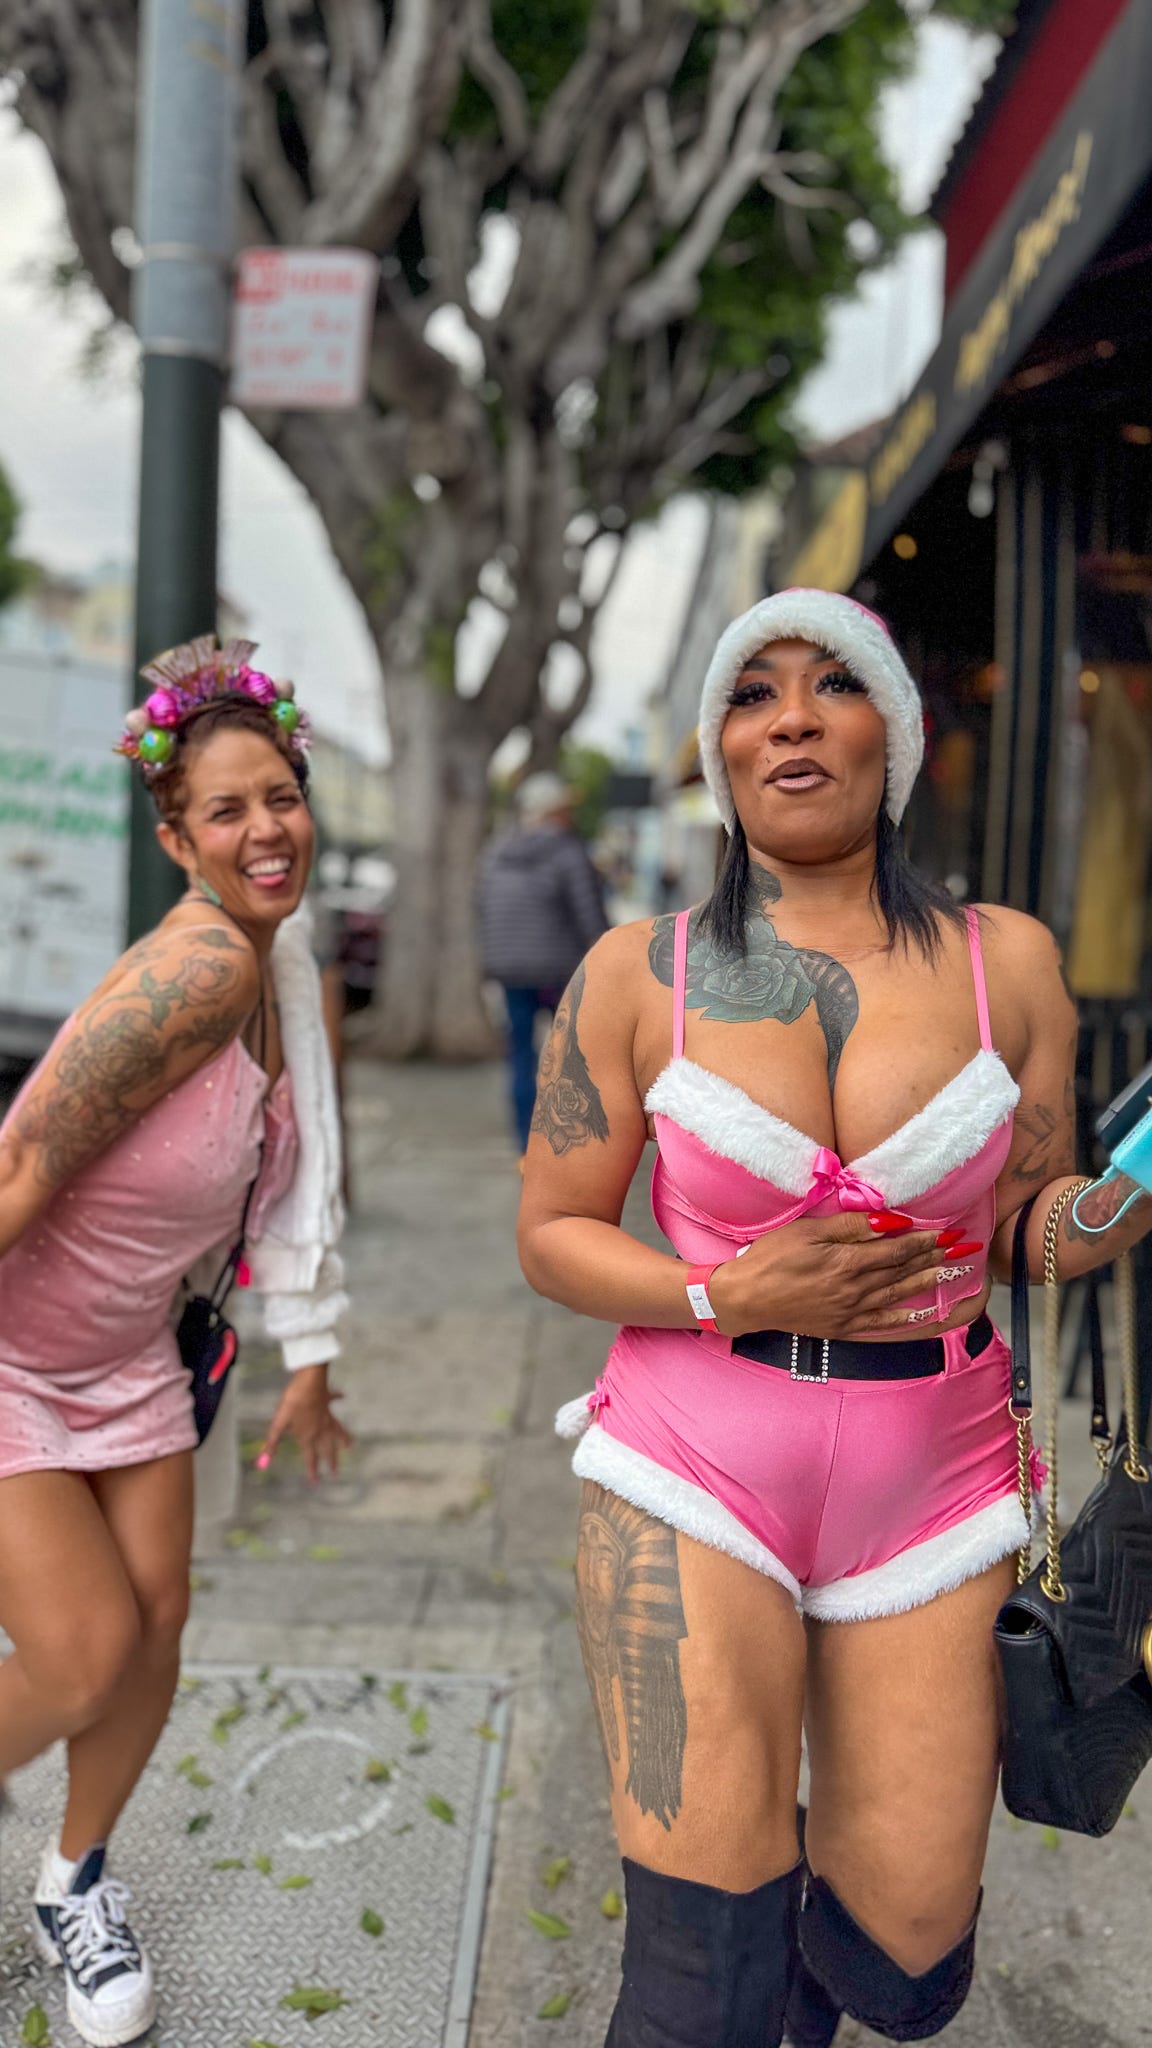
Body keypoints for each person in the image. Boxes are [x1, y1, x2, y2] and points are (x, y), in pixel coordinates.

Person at [518, 588, 1152, 2048]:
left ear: (896, 735)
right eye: (753, 694)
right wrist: (722, 1289)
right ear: (721, 751)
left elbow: (1031, 1228)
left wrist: (1129, 1195)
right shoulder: (636, 972)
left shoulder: (1009, 962)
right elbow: (551, 1235)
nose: (792, 718)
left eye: (833, 684)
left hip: (937, 1478)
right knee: (701, 1967)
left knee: (905, 1951)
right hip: (693, 1460)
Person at [0, 636, 350, 2048]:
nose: (266, 829)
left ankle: (73, 1881)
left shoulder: (286, 967)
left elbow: (302, 1168)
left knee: (155, 1630)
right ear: (176, 839)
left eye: (282, 796)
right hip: (13, 1357)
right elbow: (21, 1162)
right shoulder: (198, 970)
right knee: (83, 1653)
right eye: (227, 810)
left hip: (131, 1357)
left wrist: (312, 1347)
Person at [477, 771, 608, 1152]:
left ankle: (525, 1144)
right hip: (559, 972)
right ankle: (568, 1143)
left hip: (510, 972)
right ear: (554, 812)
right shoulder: (568, 852)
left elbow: (480, 907)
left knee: (520, 1055)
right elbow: (590, 916)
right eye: (566, 808)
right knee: (571, 1057)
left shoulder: (496, 852)